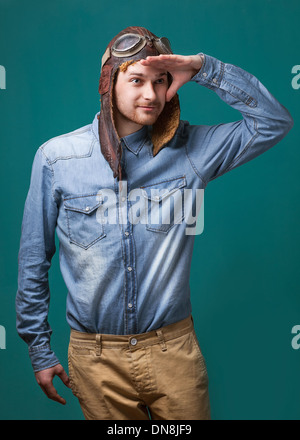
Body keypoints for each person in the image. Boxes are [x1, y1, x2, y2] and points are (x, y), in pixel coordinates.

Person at [16, 26, 293, 420]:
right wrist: (39, 350)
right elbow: (33, 259)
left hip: (173, 354)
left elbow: (272, 122)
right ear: (109, 83)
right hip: (96, 362)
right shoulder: (56, 159)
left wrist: (202, 67)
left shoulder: (193, 150)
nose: (151, 95)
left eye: (161, 82)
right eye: (137, 81)